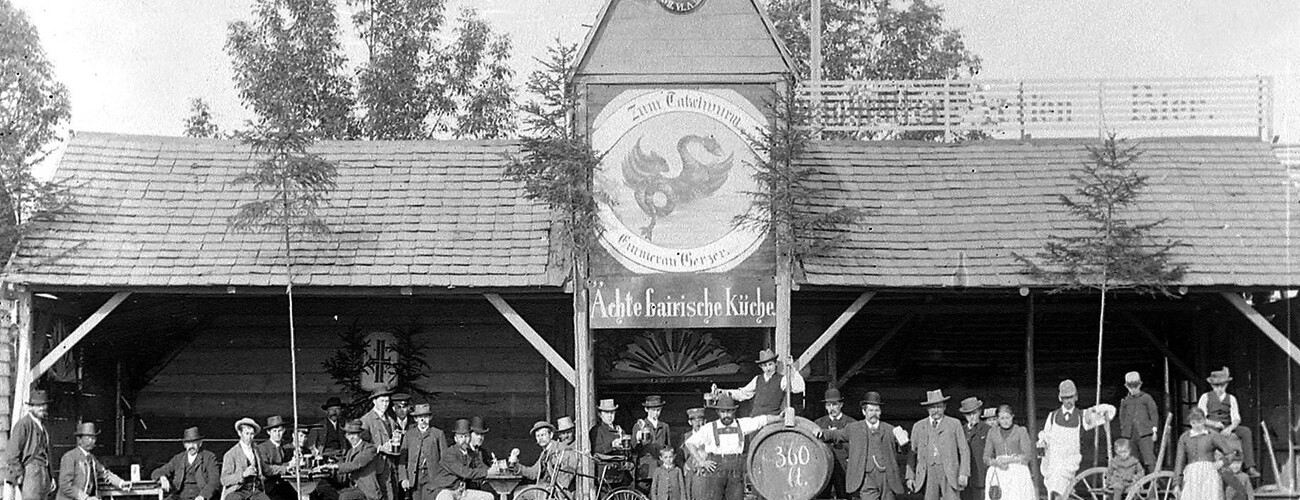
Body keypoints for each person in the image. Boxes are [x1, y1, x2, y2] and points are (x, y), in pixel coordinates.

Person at [683, 394, 780, 500]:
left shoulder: (741, 424)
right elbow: (690, 443)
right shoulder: (709, 427)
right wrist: (701, 462)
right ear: (718, 412)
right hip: (715, 470)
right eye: (723, 412)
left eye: (729, 411)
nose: (726, 415)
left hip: (736, 471)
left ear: (734, 411)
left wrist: (779, 418)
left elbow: (762, 420)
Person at [821, 391, 908, 500]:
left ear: (880, 412)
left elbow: (904, 450)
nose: (874, 413)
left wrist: (904, 440)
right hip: (866, 478)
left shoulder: (890, 429)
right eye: (870, 410)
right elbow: (836, 434)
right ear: (864, 411)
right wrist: (820, 432)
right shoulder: (854, 428)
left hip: (887, 479)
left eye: (877, 410)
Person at [1038, 380, 1100, 500]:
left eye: (1071, 397)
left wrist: (1100, 412)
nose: (1068, 401)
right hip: (1054, 459)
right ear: (1060, 398)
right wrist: (1042, 443)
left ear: (1076, 397)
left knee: (1062, 484)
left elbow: (1106, 413)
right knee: (1054, 488)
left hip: (1069, 460)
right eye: (1065, 398)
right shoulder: (1053, 416)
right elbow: (1044, 436)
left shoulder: (1081, 416)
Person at [907, 389, 970, 500]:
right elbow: (912, 453)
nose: (936, 410)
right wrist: (910, 476)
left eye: (939, 407)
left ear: (944, 407)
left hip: (950, 471)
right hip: (928, 472)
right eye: (932, 407)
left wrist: (964, 473)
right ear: (927, 409)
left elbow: (964, 450)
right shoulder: (919, 426)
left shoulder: (954, 424)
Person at [1198, 368, 1259, 478]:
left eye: (1222, 385)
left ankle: (1250, 467)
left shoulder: (1231, 398)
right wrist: (1214, 424)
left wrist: (1230, 428)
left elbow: (1236, 418)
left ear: (1226, 385)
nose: (1219, 388)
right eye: (1216, 386)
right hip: (1210, 427)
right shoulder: (1205, 397)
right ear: (1212, 386)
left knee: (1245, 431)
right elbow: (1201, 418)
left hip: (1226, 426)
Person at [713, 349, 805, 417]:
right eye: (765, 365)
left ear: (775, 364)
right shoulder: (757, 379)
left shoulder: (782, 380)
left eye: (770, 364)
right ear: (761, 367)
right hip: (756, 417)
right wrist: (723, 392)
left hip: (772, 418)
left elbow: (799, 388)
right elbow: (743, 393)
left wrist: (792, 368)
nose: (768, 368)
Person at [222, 418, 291, 500]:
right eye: (246, 433)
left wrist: (287, 468)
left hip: (254, 491)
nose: (249, 437)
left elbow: (267, 469)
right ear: (240, 433)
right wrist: (243, 474)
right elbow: (224, 479)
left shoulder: (256, 450)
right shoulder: (231, 454)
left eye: (252, 434)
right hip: (237, 491)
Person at [1174, 408, 1237, 500]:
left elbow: (1231, 453)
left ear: (1204, 420)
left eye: (1199, 422)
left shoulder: (1212, 435)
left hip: (1209, 473)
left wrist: (1222, 462)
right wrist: (1177, 484)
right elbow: (1179, 461)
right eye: (1193, 423)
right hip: (1192, 475)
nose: (1197, 425)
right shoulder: (1185, 438)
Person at [56, 422, 130, 500]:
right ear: (79, 440)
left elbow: (104, 473)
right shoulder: (70, 457)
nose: (92, 441)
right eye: (88, 438)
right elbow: (65, 485)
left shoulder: (92, 459)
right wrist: (86, 498)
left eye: (93, 438)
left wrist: (121, 483)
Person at [3, 389, 53, 500]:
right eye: (38, 405)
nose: (42, 408)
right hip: (30, 472)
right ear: (30, 407)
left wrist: (51, 476)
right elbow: (12, 453)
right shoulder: (23, 425)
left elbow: (47, 453)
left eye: (44, 405)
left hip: (44, 472)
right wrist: (19, 474)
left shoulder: (43, 427)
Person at [153, 427, 221, 500]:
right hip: (181, 496)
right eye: (188, 443)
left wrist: (203, 496)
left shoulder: (209, 457)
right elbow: (156, 472)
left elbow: (214, 481)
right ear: (184, 445)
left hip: (202, 496)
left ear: (200, 443)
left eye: (194, 442)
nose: (191, 446)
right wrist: (162, 477)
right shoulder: (178, 458)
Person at [982, 405, 1035, 500]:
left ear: (1012, 417)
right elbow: (986, 457)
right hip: (999, 470)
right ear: (998, 419)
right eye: (1002, 418)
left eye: (1007, 418)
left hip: (1017, 471)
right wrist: (996, 463)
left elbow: (1027, 455)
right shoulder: (992, 432)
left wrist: (1010, 460)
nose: (1005, 421)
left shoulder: (1020, 431)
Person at [431, 419, 491, 500]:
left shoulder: (471, 453)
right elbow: (464, 472)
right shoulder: (449, 453)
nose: (464, 440)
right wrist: (487, 472)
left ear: (470, 437)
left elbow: (481, 467)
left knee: (488, 497)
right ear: (455, 439)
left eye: (466, 436)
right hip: (446, 490)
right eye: (461, 437)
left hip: (462, 492)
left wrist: (491, 470)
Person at [398, 404, 446, 500]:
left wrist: (442, 479)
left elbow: (445, 459)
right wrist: (404, 478)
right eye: (420, 417)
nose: (423, 420)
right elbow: (402, 459)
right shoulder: (409, 434)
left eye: (426, 416)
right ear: (416, 419)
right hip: (414, 479)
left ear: (430, 418)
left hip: (431, 477)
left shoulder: (437, 434)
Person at [816, 388, 857, 500]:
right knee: (822, 496)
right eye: (828, 405)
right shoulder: (819, 423)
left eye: (834, 405)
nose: (831, 408)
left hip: (844, 466)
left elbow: (856, 446)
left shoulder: (851, 423)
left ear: (841, 405)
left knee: (844, 496)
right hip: (825, 467)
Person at [329, 420, 382, 500]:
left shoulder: (369, 449)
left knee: (344, 497)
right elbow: (344, 477)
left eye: (354, 434)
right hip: (354, 488)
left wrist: (334, 466)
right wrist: (329, 472)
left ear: (360, 434)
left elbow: (355, 465)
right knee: (330, 494)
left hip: (366, 491)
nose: (351, 437)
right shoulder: (350, 452)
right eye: (349, 434)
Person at [1118, 372, 1160, 473]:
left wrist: (1154, 430)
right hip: (1130, 435)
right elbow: (1122, 416)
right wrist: (1124, 429)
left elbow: (1153, 414)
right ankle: (1135, 483)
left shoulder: (1147, 398)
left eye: (1135, 386)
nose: (1133, 389)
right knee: (1132, 460)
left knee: (1149, 458)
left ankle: (1154, 483)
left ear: (1140, 385)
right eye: (1130, 386)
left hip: (1145, 434)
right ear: (1126, 386)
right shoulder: (1125, 401)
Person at [360, 389, 397, 500]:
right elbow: (361, 445)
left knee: (392, 495)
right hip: (375, 466)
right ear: (374, 401)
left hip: (391, 464)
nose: (385, 404)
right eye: (382, 401)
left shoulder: (390, 419)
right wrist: (380, 448)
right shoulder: (366, 420)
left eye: (387, 401)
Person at [515, 421, 573, 490]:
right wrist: (517, 466)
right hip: (544, 488)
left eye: (543, 435)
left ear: (551, 435)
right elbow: (534, 473)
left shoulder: (560, 448)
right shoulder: (544, 453)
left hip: (556, 491)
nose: (540, 438)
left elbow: (569, 471)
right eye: (538, 436)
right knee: (518, 490)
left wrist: (558, 488)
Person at [633, 396, 671, 481]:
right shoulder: (639, 426)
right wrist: (637, 440)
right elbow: (633, 449)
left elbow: (668, 447)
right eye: (653, 410)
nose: (656, 413)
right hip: (645, 471)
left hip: (661, 469)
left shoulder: (664, 427)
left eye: (658, 410)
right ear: (646, 409)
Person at [258, 416, 296, 500]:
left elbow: (284, 463)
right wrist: (287, 468)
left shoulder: (285, 447)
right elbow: (267, 469)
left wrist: (292, 463)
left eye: (280, 431)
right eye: (274, 431)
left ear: (283, 431)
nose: (277, 434)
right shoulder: (262, 448)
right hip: (269, 487)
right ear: (268, 432)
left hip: (285, 485)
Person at [959, 398, 990, 500]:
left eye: (974, 413)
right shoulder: (960, 431)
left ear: (980, 412)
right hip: (965, 478)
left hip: (982, 476)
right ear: (964, 415)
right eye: (968, 414)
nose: (972, 416)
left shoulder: (988, 430)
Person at [679, 408, 708, 500]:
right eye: (695, 421)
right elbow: (679, 455)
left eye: (700, 420)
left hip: (705, 472)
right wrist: (683, 465)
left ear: (704, 421)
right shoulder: (685, 437)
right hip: (690, 472)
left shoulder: (708, 436)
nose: (698, 423)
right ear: (690, 422)